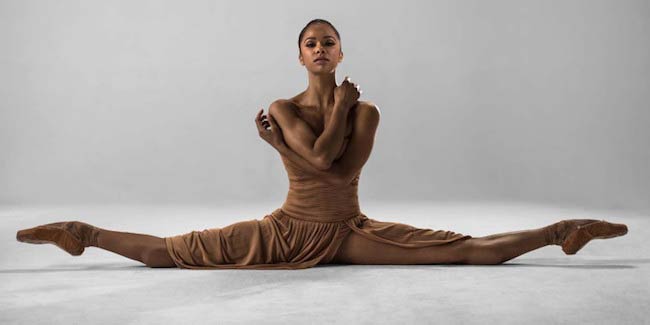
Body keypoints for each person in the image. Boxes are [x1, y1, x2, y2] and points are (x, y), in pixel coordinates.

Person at [16, 19, 628, 269]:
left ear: (341, 52)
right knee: (170, 254)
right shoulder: (284, 107)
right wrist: (306, 129)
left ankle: (561, 230)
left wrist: (289, 142)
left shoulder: (368, 112)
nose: (320, 48)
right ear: (300, 54)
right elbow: (315, 158)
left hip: (347, 231)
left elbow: (336, 170)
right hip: (285, 226)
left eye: (329, 40)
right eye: (311, 41)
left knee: (467, 251)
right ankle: (82, 232)